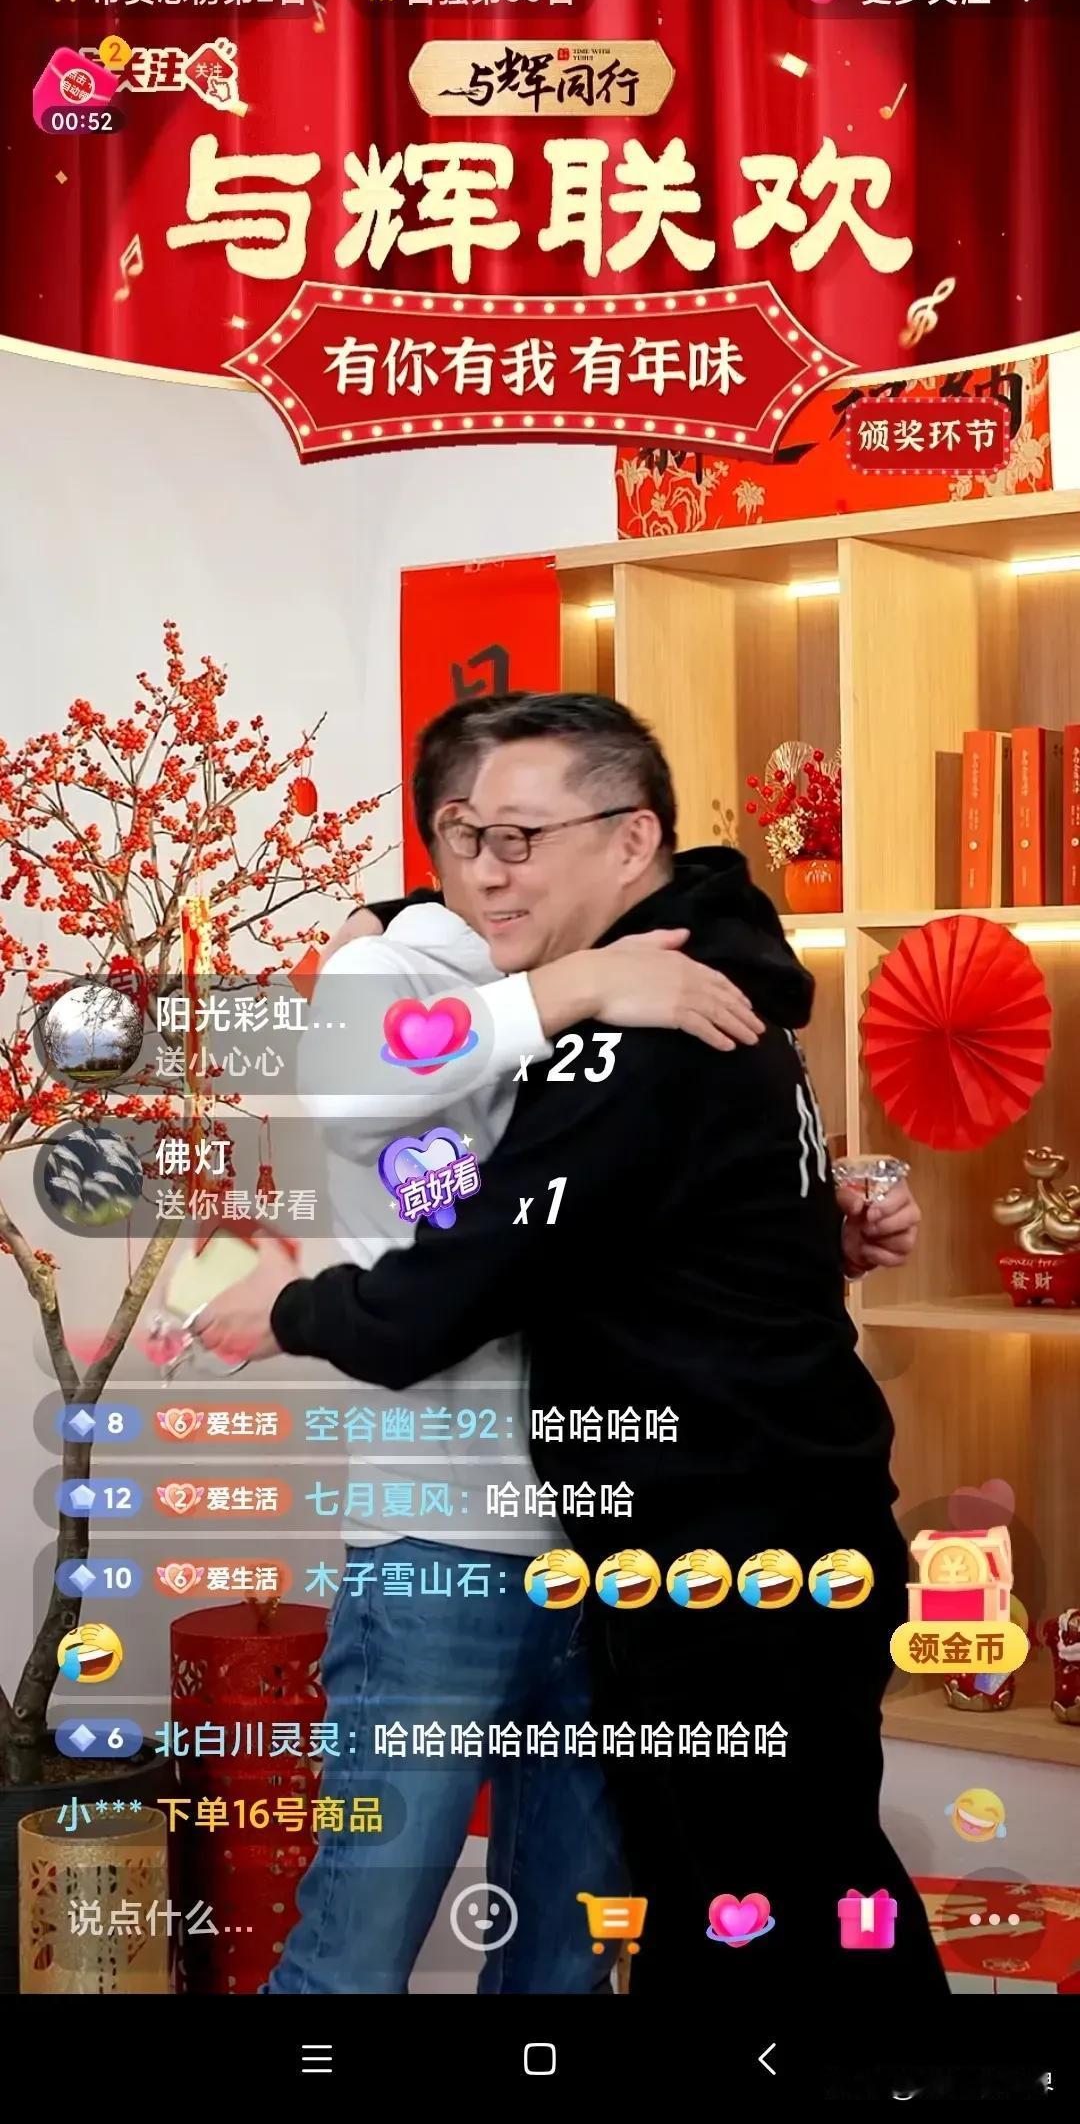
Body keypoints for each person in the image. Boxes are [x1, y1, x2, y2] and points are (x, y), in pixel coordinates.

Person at [199, 691, 939, 2009]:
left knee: (730, 1914)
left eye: (524, 835)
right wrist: (572, 984)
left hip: (689, 1551)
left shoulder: (658, 1017)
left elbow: (490, 1268)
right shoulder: (524, 978)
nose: (493, 866)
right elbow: (383, 1095)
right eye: (466, 833)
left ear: (632, 837)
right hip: (514, 1542)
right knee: (710, 1905)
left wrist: (297, 1306)